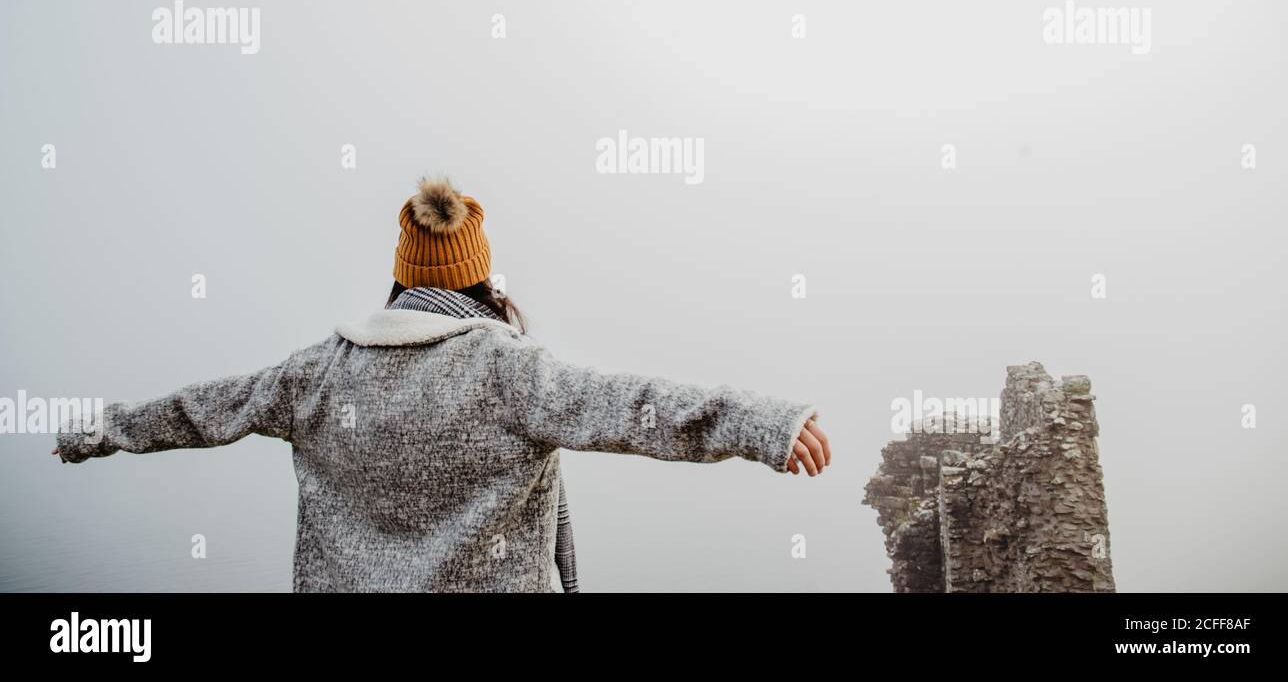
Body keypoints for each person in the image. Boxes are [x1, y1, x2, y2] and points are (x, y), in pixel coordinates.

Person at [54, 177, 831, 592]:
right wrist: (764, 425)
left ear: (399, 278)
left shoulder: (315, 375)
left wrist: (96, 430)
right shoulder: (508, 371)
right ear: (483, 284)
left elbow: (200, 411)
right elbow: (636, 408)